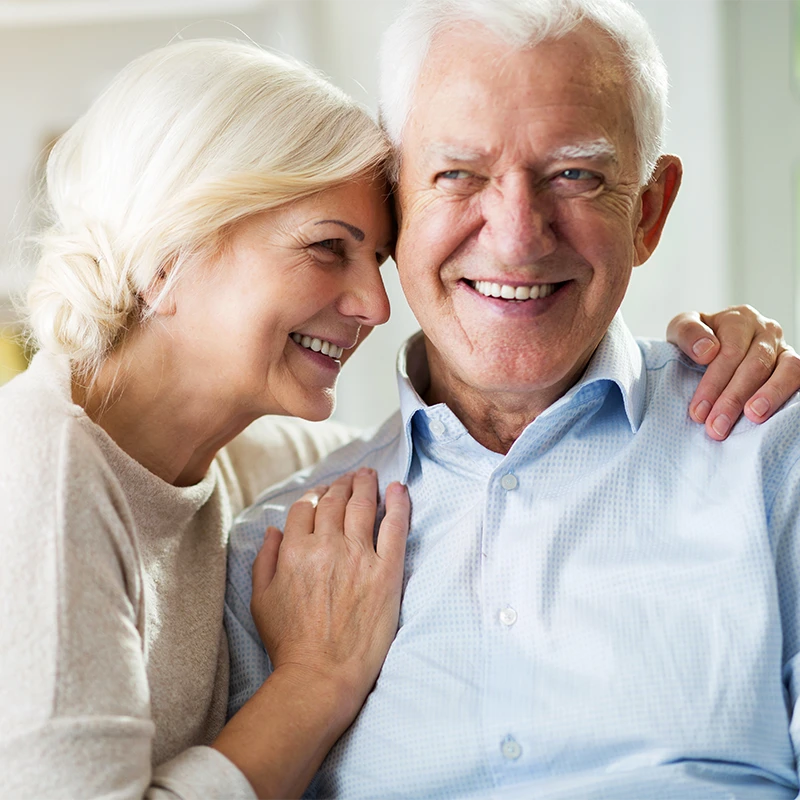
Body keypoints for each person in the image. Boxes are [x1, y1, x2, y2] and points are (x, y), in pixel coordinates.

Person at [226, 1, 800, 798]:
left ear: (650, 209)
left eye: (575, 174)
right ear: (394, 205)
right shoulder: (277, 552)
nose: (519, 236)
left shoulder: (776, 458)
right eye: (458, 174)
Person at [0, 39, 412, 800]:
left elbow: (464, 448)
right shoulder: (39, 474)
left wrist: (695, 363)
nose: (378, 307)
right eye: (329, 248)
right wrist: (315, 681)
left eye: (379, 260)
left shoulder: (257, 461)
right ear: (168, 256)